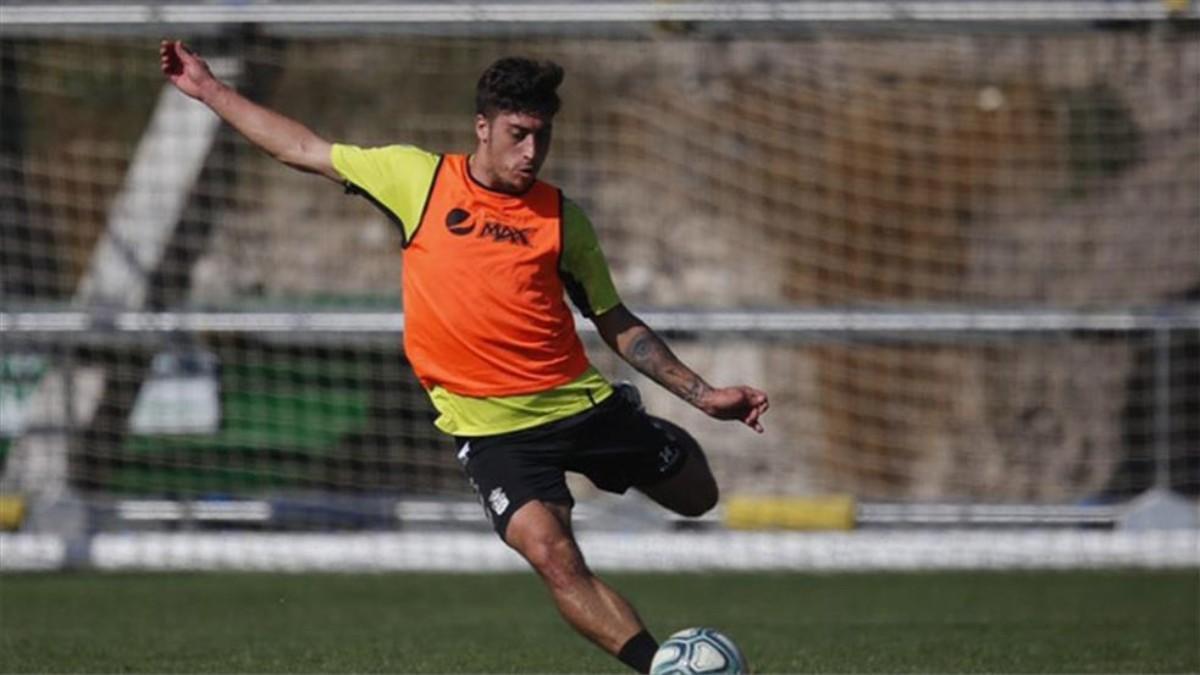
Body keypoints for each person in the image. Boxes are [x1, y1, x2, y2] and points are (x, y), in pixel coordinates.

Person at [160, 40, 769, 673]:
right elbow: (301, 148)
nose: (531, 152)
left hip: (579, 404)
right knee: (552, 554)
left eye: (542, 137)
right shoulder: (416, 179)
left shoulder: (562, 219)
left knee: (697, 497)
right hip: (493, 430)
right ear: (483, 127)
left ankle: (640, 424)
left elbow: (614, 320)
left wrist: (705, 396)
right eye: (518, 134)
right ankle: (660, 668)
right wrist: (209, 90)